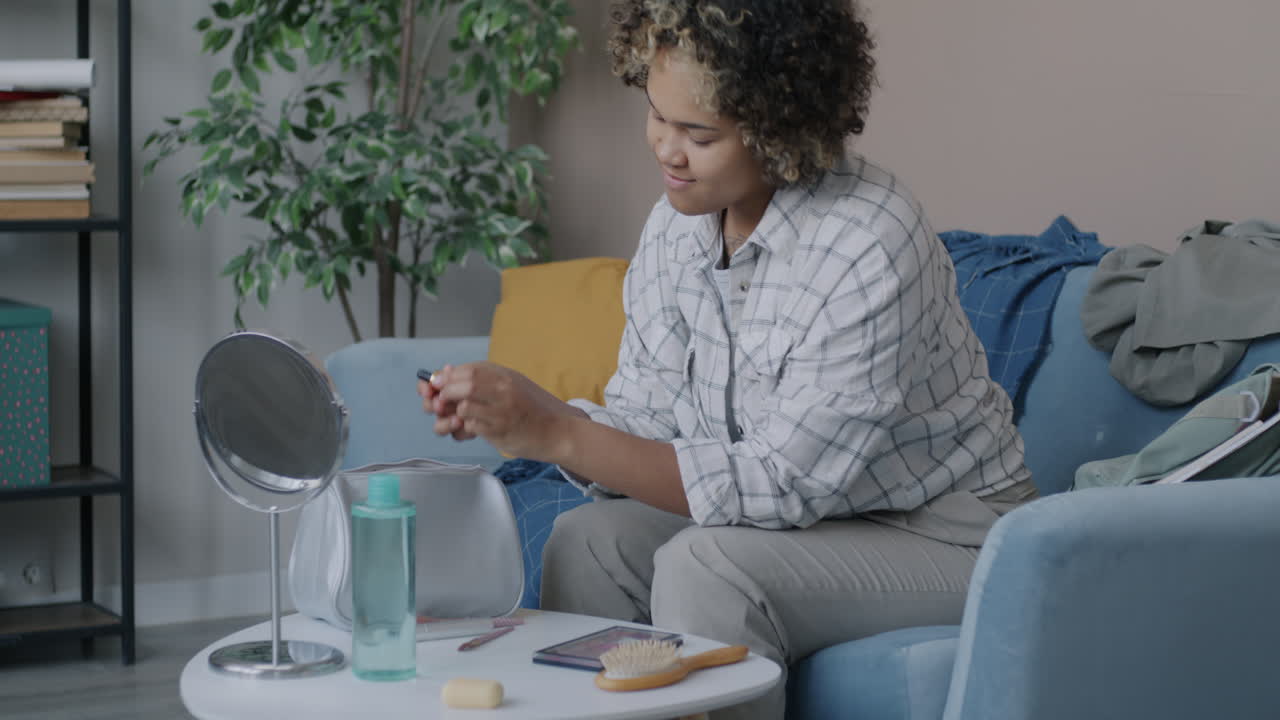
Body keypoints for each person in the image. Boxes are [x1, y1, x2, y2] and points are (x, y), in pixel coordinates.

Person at [419, 1, 1037, 716]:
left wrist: (560, 434)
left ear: (781, 128)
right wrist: (536, 416)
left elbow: (783, 483)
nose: (666, 150)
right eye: (657, 116)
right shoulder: (676, 227)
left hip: (946, 536)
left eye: (699, 134)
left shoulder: (867, 243)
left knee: (709, 566)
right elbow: (650, 421)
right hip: (813, 522)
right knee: (586, 541)